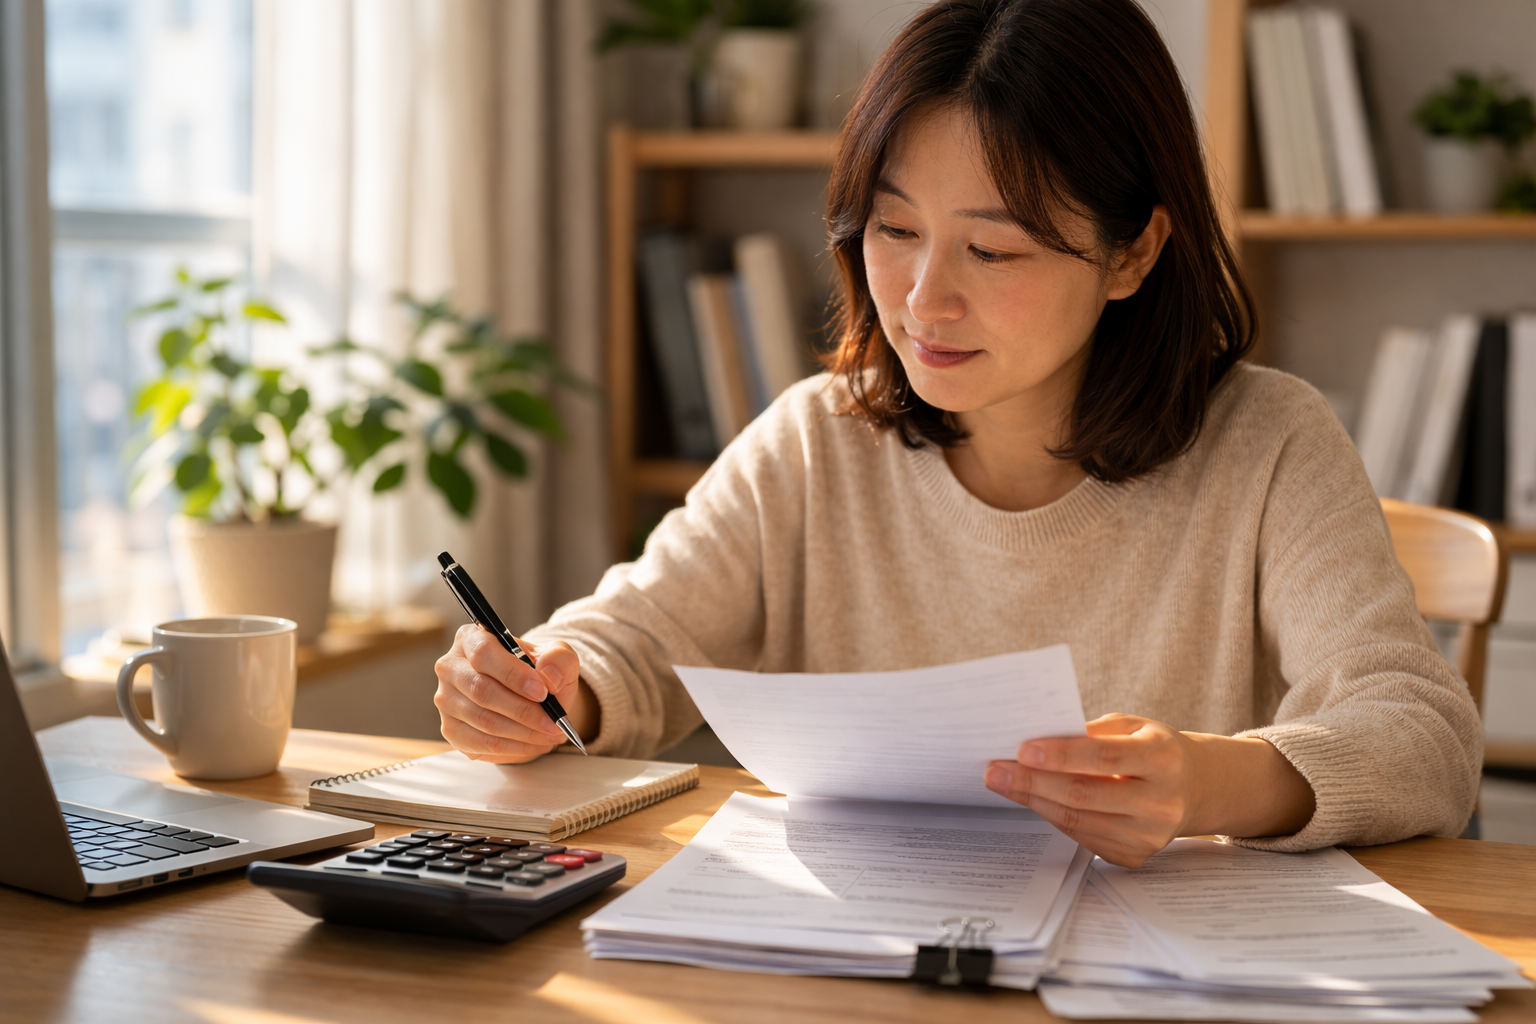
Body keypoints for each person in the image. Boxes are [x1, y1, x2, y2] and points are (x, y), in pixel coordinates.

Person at [432, 0, 1480, 867]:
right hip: (860, 969)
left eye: (993, 249)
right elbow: (636, 642)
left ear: (1133, 253)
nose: (925, 302)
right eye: (894, 231)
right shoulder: (815, 441)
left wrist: (1210, 778)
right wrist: (547, 682)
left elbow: (1421, 735)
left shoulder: (1268, 443)